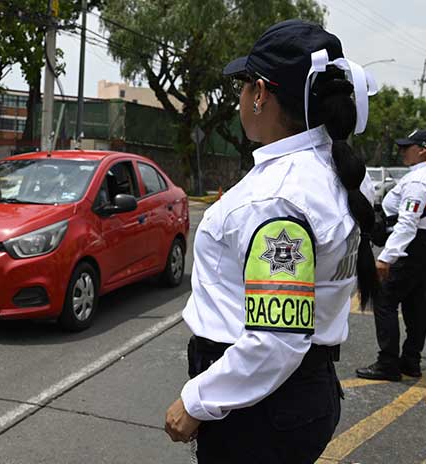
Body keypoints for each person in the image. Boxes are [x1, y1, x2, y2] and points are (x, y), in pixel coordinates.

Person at [164, 20, 378, 463]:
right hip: (298, 396)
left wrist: (198, 399)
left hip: (261, 411)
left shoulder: (277, 199)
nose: (240, 98)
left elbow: (277, 339)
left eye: (243, 86)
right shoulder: (334, 173)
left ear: (260, 93)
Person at [356, 130, 426, 381]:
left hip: (411, 244)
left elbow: (408, 222)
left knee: (384, 299)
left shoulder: (418, 181)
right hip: (421, 246)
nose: (402, 151)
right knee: (416, 303)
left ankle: (388, 363)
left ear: (422, 150)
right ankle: (411, 361)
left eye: (408, 147)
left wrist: (386, 257)